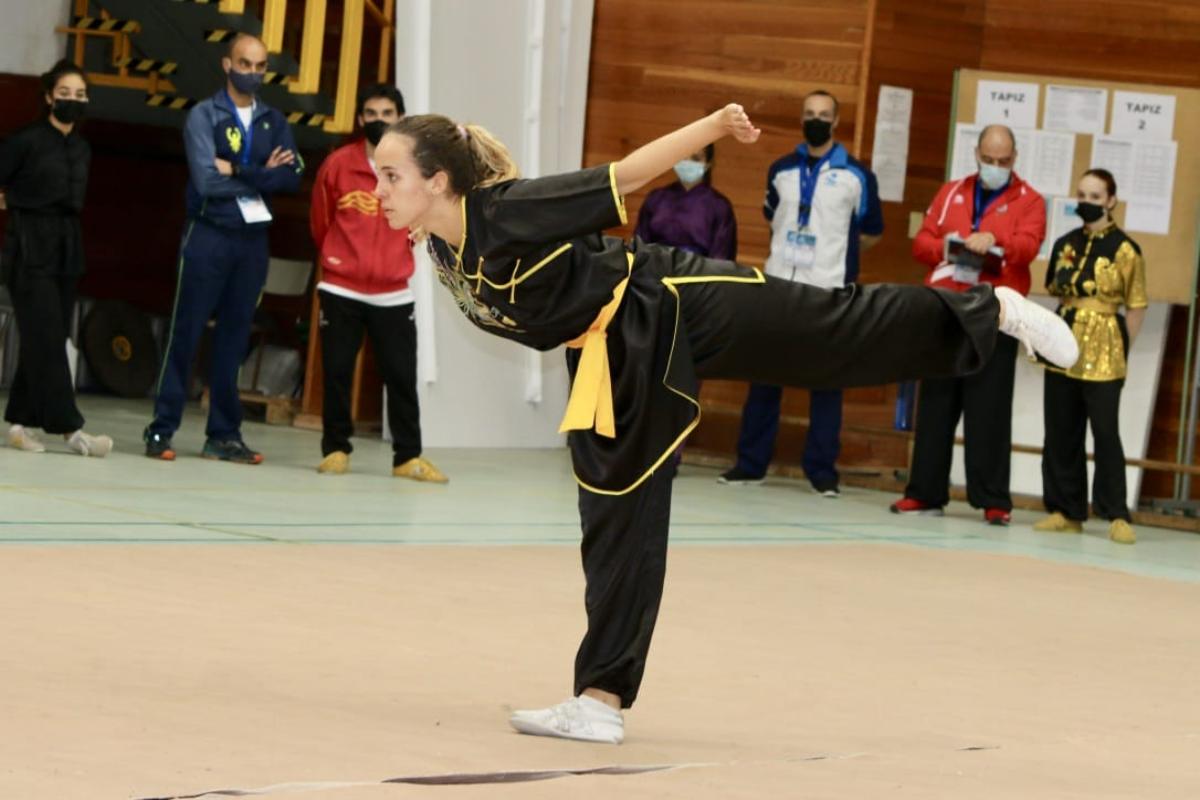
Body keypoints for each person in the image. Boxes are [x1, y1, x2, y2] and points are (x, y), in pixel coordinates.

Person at [372, 105, 1077, 744]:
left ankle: (992, 310)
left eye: (391, 174)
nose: (379, 190)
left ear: (438, 181)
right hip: (612, 357)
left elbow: (629, 174)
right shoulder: (440, 250)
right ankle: (599, 700)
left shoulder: (508, 210)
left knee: (828, 337)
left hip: (671, 299)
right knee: (615, 517)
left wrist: (712, 126)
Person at [143, 33, 303, 463]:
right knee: (186, 331)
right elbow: (205, 181)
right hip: (208, 235)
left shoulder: (274, 121)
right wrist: (260, 173)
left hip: (252, 242)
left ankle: (224, 434)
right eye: (245, 64)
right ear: (226, 65)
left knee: (235, 338)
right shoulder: (204, 115)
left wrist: (237, 168)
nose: (253, 73)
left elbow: (291, 178)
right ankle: (161, 429)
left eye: (260, 66)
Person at [719, 90, 883, 497]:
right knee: (763, 380)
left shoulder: (857, 176)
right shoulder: (781, 170)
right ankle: (750, 464)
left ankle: (822, 472)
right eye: (809, 113)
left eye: (823, 115)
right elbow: (773, 216)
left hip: (828, 292)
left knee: (826, 384)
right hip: (777, 287)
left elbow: (872, 232)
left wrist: (837, 256)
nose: (815, 120)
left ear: (836, 121)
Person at [890, 125, 1046, 525]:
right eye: (989, 160)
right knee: (937, 405)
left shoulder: (1030, 200)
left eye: (1004, 161)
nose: (995, 167)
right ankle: (924, 492)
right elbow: (922, 243)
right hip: (946, 306)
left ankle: (993, 500)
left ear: (1015, 159)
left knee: (989, 408)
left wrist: (995, 240)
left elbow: (1029, 246)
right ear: (976, 154)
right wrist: (947, 245)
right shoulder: (951, 192)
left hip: (995, 313)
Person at [309, 83, 446, 482]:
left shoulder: (415, 171)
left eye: (387, 113)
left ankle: (408, 457)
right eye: (371, 113)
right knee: (336, 372)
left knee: (401, 375)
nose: (379, 120)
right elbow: (321, 222)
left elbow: (426, 217)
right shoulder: (338, 164)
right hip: (341, 288)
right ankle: (335, 449)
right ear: (359, 119)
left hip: (393, 292)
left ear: (400, 119)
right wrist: (337, 258)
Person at [0, 59, 112, 457]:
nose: (72, 101)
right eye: (64, 94)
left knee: (45, 338)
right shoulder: (24, 140)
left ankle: (19, 423)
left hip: (67, 248)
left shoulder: (82, 147)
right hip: (29, 248)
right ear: (48, 96)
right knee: (47, 338)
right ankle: (71, 430)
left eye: (79, 95)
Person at [1035, 169, 1146, 545]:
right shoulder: (1065, 242)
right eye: (1081, 194)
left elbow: (1135, 305)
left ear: (1111, 201)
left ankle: (1116, 513)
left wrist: (1121, 347)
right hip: (1064, 338)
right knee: (1061, 429)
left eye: (1095, 196)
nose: (1086, 201)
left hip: (1105, 345)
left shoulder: (1126, 250)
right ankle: (1065, 510)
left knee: (1105, 432)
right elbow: (1054, 285)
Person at [634, 143, 736, 261]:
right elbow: (639, 247)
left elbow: (722, 260)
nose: (687, 162)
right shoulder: (656, 198)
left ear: (708, 164)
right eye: (682, 156)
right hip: (654, 272)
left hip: (698, 275)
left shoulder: (720, 206)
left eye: (696, 158)